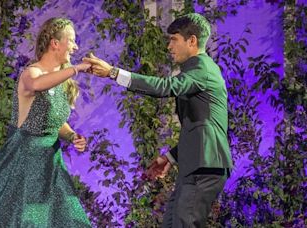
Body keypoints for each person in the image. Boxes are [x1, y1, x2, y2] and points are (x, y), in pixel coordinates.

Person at [84, 13, 233, 228]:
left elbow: (165, 87)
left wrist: (114, 73)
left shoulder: (202, 68)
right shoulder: (197, 70)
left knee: (183, 223)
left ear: (192, 41)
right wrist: (170, 158)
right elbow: (201, 125)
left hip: (205, 165)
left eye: (174, 39)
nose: (169, 47)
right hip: (197, 163)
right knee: (173, 222)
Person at [0, 18, 92, 227]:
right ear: (55, 43)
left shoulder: (60, 80)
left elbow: (54, 122)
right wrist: (77, 69)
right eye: (71, 41)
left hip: (50, 163)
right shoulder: (31, 73)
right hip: (25, 162)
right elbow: (36, 84)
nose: (75, 47)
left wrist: (73, 136)